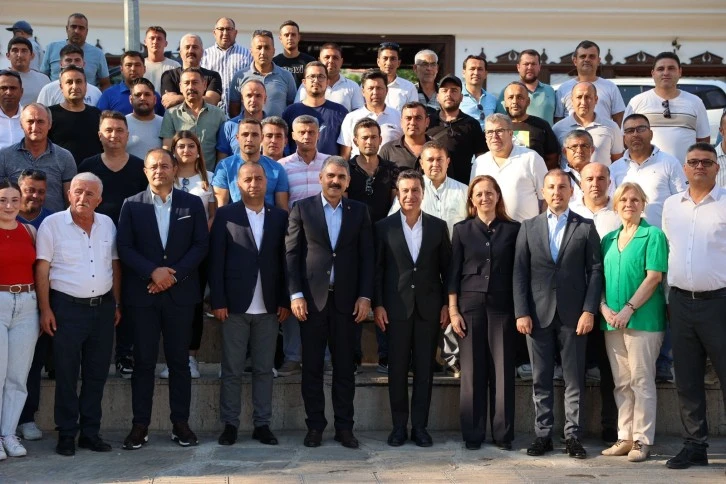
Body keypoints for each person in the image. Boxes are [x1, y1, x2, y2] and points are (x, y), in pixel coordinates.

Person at [117, 148, 208, 450]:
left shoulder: (191, 204)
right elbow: (125, 247)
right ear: (145, 171)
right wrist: (153, 272)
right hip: (143, 296)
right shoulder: (131, 204)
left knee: (179, 362)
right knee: (143, 362)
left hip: (180, 296)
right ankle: (139, 425)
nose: (159, 171)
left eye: (165, 166)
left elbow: (200, 245)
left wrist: (173, 276)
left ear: (174, 169)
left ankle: (180, 424)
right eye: (153, 166)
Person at [514, 169, 603, 459]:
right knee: (540, 378)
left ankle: (572, 436)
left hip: (574, 317)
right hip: (537, 316)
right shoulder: (529, 227)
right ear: (543, 192)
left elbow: (595, 271)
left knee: (574, 379)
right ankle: (543, 435)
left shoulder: (585, 227)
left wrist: (589, 310)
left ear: (571, 191)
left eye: (562, 187)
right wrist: (521, 312)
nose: (556, 192)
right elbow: (520, 273)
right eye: (551, 187)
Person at [286, 156, 374, 449]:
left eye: (341, 177)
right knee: (311, 367)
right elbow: (291, 255)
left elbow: (367, 257)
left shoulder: (359, 211)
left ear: (348, 182)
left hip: (348, 303)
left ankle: (344, 428)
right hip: (312, 302)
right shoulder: (302, 208)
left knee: (345, 369)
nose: (336, 181)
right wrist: (296, 294)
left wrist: (365, 296)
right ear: (321, 178)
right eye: (331, 176)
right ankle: (315, 426)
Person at [35, 172, 121, 456]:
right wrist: (45, 309)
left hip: (103, 309)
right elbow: (42, 269)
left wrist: (116, 303)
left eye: (89, 193)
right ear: (69, 194)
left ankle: (90, 433)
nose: (83, 198)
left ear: (99, 200)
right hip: (66, 309)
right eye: (78, 192)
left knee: (97, 374)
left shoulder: (107, 224)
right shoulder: (52, 224)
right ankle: (66, 434)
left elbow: (114, 265)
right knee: (67, 374)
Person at [209, 162, 289, 446]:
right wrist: (218, 300)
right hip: (233, 306)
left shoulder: (280, 216)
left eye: (258, 178)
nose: (253, 184)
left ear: (266, 182)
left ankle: (262, 424)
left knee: (264, 369)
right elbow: (216, 261)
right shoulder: (225, 215)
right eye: (247, 179)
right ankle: (230, 424)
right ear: (238, 184)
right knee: (231, 369)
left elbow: (286, 262)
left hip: (269, 306)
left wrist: (284, 300)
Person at [374, 169, 451, 447]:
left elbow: (447, 269)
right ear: (398, 193)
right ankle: (398, 427)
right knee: (396, 371)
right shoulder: (383, 227)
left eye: (415, 190)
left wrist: (446, 304)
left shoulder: (437, 226)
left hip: (428, 310)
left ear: (423, 193)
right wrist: (378, 305)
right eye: (405, 190)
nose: (410, 195)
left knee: (424, 370)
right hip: (395, 309)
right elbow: (377, 270)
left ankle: (419, 427)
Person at [661, 142, 726, 470]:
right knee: (686, 379)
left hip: (719, 303)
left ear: (717, 167)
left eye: (706, 162)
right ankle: (695, 445)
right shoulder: (672, 205)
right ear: (684, 168)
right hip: (681, 302)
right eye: (694, 162)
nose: (700, 166)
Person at [449, 175, 520, 450]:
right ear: (471, 199)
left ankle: (503, 434)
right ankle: (473, 433)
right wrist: (453, 310)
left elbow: (519, 273)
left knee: (502, 371)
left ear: (498, 196)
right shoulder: (462, 230)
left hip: (503, 307)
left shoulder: (513, 230)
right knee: (472, 371)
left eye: (489, 193)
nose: (484, 198)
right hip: (470, 307)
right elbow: (453, 273)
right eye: (478, 194)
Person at [599, 182, 668, 462]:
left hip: (643, 320)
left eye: (635, 199)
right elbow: (599, 278)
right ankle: (625, 436)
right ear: (616, 206)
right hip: (612, 322)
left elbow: (654, 277)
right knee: (621, 382)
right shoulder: (608, 239)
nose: (629, 204)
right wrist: (603, 307)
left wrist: (629, 309)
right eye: (624, 200)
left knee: (641, 380)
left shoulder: (653, 235)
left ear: (643, 204)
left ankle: (642, 439)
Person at [156, 131, 216, 380]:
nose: (186, 150)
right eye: (180, 146)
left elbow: (214, 214)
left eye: (191, 146)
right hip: (168, 251)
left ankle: (190, 357)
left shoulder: (208, 178)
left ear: (198, 151)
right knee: (169, 306)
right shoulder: (164, 176)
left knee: (193, 305)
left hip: (198, 252)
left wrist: (200, 237)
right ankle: (172, 357)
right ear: (173, 151)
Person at [346, 118, 399, 374]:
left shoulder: (391, 170)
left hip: (385, 240)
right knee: (354, 297)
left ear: (380, 139)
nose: (369, 141)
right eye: (364, 137)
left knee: (384, 296)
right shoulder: (346, 169)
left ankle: (386, 355)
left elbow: (396, 206)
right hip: (354, 242)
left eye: (374, 137)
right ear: (355, 140)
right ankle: (353, 356)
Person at [0, 179, 39, 460]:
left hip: (27, 304)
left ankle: (9, 434)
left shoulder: (29, 230)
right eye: (2, 200)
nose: (9, 205)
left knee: (18, 376)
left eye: (14, 200)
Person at [14, 169, 53, 442]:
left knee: (33, 363)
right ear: (19, 190)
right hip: (6, 298)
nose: (35, 196)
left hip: (38, 301)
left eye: (40, 191)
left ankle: (27, 418)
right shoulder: (6, 216)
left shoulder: (51, 221)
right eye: (29, 190)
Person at [624, 52, 710, 163]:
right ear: (653, 73)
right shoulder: (637, 102)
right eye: (660, 69)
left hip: (685, 171)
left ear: (680, 72)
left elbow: (703, 141)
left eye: (671, 68)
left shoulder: (695, 102)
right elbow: (625, 139)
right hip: (647, 169)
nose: (666, 73)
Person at [0, 103, 77, 213]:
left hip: (54, 222)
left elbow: (71, 200)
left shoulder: (64, 157)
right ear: (21, 124)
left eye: (40, 121)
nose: (35, 127)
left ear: (50, 124)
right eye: (30, 121)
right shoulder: (4, 156)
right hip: (15, 222)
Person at [471, 113, 548, 223]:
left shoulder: (531, 158)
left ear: (511, 133)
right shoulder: (479, 163)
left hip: (525, 230)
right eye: (490, 132)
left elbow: (546, 199)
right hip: (490, 231)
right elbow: (474, 200)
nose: (494, 136)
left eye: (499, 131)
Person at [78, 110, 148, 225]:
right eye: (109, 130)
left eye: (119, 130)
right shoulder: (87, 167)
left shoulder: (141, 168)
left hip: (133, 230)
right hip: (95, 230)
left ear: (127, 135)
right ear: (100, 135)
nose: (114, 135)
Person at [160, 67, 227, 171]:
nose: (191, 87)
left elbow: (222, 150)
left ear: (204, 85)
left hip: (210, 174)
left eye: (195, 82)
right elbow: (167, 148)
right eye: (186, 83)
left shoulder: (218, 114)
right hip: (180, 175)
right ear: (180, 87)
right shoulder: (171, 114)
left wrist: (219, 174)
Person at [212, 118, 289, 209]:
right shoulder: (225, 166)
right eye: (245, 134)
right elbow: (220, 207)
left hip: (268, 217)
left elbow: (282, 209)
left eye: (255, 135)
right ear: (237, 138)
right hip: (235, 217)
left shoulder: (277, 169)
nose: (249, 139)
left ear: (262, 138)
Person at [426, 74, 487, 184]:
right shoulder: (428, 123)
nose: (449, 94)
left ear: (461, 97)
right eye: (444, 90)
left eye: (454, 91)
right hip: (430, 186)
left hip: (462, 186)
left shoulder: (472, 124)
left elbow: (482, 159)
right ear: (437, 97)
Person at [282, 61, 348, 156]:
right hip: (297, 165)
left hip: (330, 165)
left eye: (321, 76)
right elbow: (284, 144)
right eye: (312, 76)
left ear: (327, 82)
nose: (316, 80)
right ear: (304, 82)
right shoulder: (290, 112)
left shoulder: (341, 112)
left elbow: (345, 147)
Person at [554, 40, 625, 126]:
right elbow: (558, 122)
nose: (587, 59)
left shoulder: (610, 87)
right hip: (571, 134)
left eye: (592, 56)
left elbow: (619, 121)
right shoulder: (563, 89)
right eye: (583, 56)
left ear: (598, 61)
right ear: (575, 61)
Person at [552, 81, 623, 166]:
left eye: (588, 97)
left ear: (596, 100)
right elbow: (553, 161)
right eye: (579, 97)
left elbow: (618, 162)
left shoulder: (611, 127)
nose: (583, 102)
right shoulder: (558, 128)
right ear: (572, 100)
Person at [229, 29, 296, 118]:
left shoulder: (286, 76)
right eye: (259, 47)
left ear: (273, 51)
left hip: (278, 127)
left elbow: (292, 108)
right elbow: (234, 109)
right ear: (251, 51)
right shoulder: (240, 76)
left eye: (267, 47)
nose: (263, 52)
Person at [338, 69, 402, 159]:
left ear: (386, 91)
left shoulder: (399, 116)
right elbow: (345, 155)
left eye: (379, 88)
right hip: (357, 167)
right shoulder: (351, 118)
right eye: (370, 88)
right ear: (363, 92)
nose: (375, 92)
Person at [48, 65, 103, 165]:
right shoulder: (49, 115)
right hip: (60, 172)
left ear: (85, 86)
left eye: (79, 81)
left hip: (92, 172)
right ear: (61, 87)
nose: (74, 86)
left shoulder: (97, 114)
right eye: (69, 82)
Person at [499, 81, 560, 169]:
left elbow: (552, 157)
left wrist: (540, 173)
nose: (515, 101)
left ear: (528, 102)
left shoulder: (541, 125)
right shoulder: (497, 126)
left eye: (520, 97)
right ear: (505, 102)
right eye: (510, 97)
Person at [41, 13, 110, 89]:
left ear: (86, 31)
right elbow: (42, 78)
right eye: (73, 27)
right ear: (67, 29)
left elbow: (105, 83)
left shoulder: (98, 54)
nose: (77, 31)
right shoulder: (51, 48)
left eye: (81, 28)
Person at [200, 17, 253, 113]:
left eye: (229, 29)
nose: (225, 33)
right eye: (221, 29)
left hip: (240, 114)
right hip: (210, 113)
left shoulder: (247, 55)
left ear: (235, 33)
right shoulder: (204, 56)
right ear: (214, 33)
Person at [294, 43, 364, 112]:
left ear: (341, 61)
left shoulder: (352, 86)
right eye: (327, 57)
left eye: (335, 58)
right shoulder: (308, 84)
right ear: (319, 60)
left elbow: (358, 114)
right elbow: (297, 110)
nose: (331, 61)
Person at [159, 34, 223, 110]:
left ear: (202, 52)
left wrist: (178, 99)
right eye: (187, 47)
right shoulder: (169, 76)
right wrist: (200, 100)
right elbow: (169, 103)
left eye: (195, 47)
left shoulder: (213, 76)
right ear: (180, 52)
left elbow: (211, 101)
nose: (191, 51)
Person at [497, 49, 556, 125]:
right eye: (526, 64)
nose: (530, 67)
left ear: (539, 67)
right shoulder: (507, 92)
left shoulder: (550, 91)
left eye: (533, 64)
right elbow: (500, 120)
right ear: (518, 67)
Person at [96, 51, 164, 116]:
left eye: (137, 65)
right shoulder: (109, 95)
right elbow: (99, 120)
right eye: (128, 65)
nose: (133, 69)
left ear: (144, 69)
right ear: (121, 69)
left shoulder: (154, 96)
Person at [37, 44, 102, 107]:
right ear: (61, 64)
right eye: (68, 60)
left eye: (77, 60)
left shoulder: (95, 92)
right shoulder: (48, 90)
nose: (73, 63)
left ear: (83, 64)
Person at [216, 80, 268, 158]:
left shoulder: (272, 127)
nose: (253, 100)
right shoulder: (229, 127)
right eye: (249, 95)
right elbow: (222, 161)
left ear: (265, 99)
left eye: (258, 96)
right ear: (242, 98)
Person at [379, 101, 430, 169]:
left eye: (418, 118)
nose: (412, 123)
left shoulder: (439, 149)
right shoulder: (388, 150)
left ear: (427, 122)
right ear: (401, 122)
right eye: (408, 118)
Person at [126, 78, 163, 160]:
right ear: (131, 99)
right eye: (138, 95)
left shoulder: (165, 123)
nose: (142, 98)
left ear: (155, 99)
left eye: (147, 94)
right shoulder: (122, 124)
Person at [6, 36, 50, 105]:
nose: (19, 55)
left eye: (24, 51)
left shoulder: (43, 79)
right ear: (8, 55)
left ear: (32, 56)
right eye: (15, 50)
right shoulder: (2, 78)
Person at [376, 42, 417, 112]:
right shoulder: (368, 86)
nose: (389, 63)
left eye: (393, 59)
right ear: (378, 62)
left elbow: (413, 114)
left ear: (398, 63)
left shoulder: (409, 87)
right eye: (385, 58)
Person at [273, 20, 316, 87]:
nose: (290, 38)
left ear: (298, 37)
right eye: (286, 35)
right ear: (280, 38)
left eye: (293, 35)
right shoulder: (274, 63)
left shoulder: (310, 62)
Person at [460, 55, 497, 130]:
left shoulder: (493, 100)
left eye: (480, 69)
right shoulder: (456, 98)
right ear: (463, 73)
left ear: (485, 74)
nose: (476, 73)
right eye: (472, 69)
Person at [142, 26, 180, 93]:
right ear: (145, 42)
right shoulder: (140, 65)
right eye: (152, 38)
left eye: (159, 39)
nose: (155, 41)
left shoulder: (175, 66)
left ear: (166, 43)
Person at [0, 70, 24, 150]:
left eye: (13, 88)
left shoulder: (31, 118)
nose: (9, 92)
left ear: (21, 92)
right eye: (3, 88)